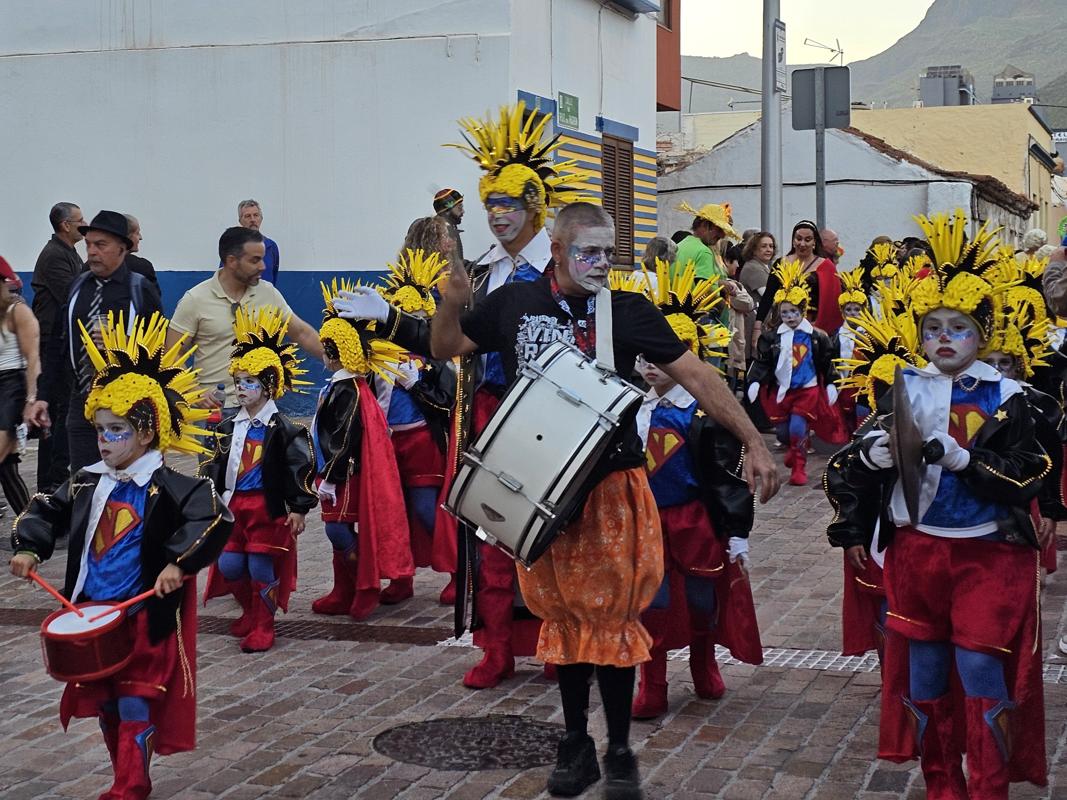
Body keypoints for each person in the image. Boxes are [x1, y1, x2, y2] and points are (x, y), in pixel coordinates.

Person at [430, 200, 779, 799]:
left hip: (613, 486)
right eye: (589, 252)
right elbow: (444, 348)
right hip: (543, 488)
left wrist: (753, 440)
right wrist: (451, 299)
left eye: (610, 254)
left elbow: (698, 377)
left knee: (614, 618)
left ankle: (618, 748)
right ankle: (575, 743)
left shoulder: (628, 310)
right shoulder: (515, 302)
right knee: (562, 617)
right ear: (559, 250)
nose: (601, 264)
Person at [333, 101, 592, 690]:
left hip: (546, 420)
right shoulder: (475, 275)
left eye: (509, 204)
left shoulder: (563, 273)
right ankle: (497, 648)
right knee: (491, 536)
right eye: (490, 205)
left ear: (536, 207)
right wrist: (392, 319)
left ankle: (559, 644)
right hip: (484, 416)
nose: (498, 215)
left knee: (549, 538)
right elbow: (446, 345)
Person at [828, 210, 1049, 798]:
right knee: (923, 671)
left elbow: (1034, 472)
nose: (945, 338)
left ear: (984, 334)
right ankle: (942, 785)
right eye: (934, 328)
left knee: (979, 668)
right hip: (916, 554)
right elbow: (846, 467)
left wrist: (965, 462)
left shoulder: (1014, 398)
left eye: (959, 327)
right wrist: (870, 461)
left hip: (988, 556)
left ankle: (989, 787)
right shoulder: (904, 386)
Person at [10, 313, 232, 800]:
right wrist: (29, 544)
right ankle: (125, 771)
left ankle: (132, 782)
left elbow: (215, 517)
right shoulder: (88, 480)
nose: (103, 441)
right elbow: (46, 506)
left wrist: (179, 561)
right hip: (91, 610)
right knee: (106, 701)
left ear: (147, 433)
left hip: (142, 614)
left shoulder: (173, 486)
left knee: (136, 699)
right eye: (100, 430)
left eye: (115, 431)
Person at [629, 263, 763, 721]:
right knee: (654, 602)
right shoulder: (633, 409)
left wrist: (736, 532)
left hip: (694, 523)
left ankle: (704, 662)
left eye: (659, 356)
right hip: (647, 523)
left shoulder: (702, 414)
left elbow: (727, 476)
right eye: (643, 356)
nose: (650, 366)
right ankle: (654, 681)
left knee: (704, 600)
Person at [201, 307, 317, 652]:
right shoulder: (228, 426)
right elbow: (214, 463)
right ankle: (251, 609)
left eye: (250, 382)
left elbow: (300, 468)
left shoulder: (285, 430)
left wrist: (298, 507)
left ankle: (264, 624)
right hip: (235, 506)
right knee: (230, 563)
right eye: (239, 382)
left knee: (260, 563)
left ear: (268, 385)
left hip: (267, 509)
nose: (242, 388)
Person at [26, 210, 164, 474]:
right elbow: (57, 343)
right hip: (82, 400)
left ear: (123, 248)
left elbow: (158, 348)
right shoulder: (77, 287)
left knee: (128, 480)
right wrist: (42, 397)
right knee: (84, 480)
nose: (91, 252)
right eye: (89, 245)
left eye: (101, 245)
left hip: (128, 403)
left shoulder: (139, 290)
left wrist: (124, 344)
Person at [310, 280, 413, 622]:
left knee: (337, 530)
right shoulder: (341, 387)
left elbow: (344, 437)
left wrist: (330, 477)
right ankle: (346, 589)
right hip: (335, 473)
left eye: (325, 349)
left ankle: (362, 584)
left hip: (345, 475)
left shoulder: (348, 391)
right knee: (335, 530)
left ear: (333, 352)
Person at [372, 247, 456, 605]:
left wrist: (415, 384)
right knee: (396, 513)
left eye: (416, 315)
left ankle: (458, 571)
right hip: (388, 444)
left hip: (423, 442)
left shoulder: (437, 359)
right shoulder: (380, 353)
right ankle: (400, 575)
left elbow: (446, 402)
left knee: (425, 509)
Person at [168, 227, 323, 412]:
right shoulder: (195, 299)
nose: (263, 266)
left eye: (263, 259)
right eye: (255, 260)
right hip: (214, 411)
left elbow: (301, 333)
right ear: (232, 261)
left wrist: (340, 361)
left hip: (260, 408)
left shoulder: (268, 293)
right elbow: (172, 354)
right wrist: (195, 392)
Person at [747, 260, 843, 486]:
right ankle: (792, 448)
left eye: (794, 312)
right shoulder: (772, 338)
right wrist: (754, 381)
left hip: (807, 389)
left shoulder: (816, 336)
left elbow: (826, 361)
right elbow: (763, 362)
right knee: (782, 431)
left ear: (803, 310)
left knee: (798, 426)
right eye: (785, 312)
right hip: (782, 390)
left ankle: (799, 467)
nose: (790, 317)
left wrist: (831, 383)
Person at [30, 202, 86, 492]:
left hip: (63, 342)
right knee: (52, 413)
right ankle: (48, 486)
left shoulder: (69, 253)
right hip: (53, 344)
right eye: (80, 220)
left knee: (62, 411)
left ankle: (57, 479)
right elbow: (73, 294)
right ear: (66, 225)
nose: (84, 224)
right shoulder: (54, 256)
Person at [754, 221, 842, 336]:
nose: (802, 243)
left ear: (814, 242)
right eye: (798, 239)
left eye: (807, 239)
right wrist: (757, 327)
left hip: (814, 328)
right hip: (782, 326)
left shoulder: (826, 266)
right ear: (793, 241)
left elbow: (833, 303)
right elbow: (768, 296)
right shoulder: (781, 263)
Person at [0, 269, 38, 514]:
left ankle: (32, 525)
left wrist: (30, 398)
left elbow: (32, 356)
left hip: (11, 387)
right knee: (6, 468)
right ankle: (31, 526)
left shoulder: (16, 311)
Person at [673, 201, 738, 283]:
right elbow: (705, 289)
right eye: (719, 229)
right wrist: (721, 286)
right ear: (704, 225)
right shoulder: (703, 251)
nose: (722, 236)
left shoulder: (680, 246)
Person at [738, 232, 776, 360]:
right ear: (754, 249)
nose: (768, 249)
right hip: (754, 322)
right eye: (764, 246)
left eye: (771, 246)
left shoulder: (763, 267)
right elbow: (769, 296)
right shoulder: (754, 268)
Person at [236, 200, 280, 283]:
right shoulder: (233, 246)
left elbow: (273, 278)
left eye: (256, 215)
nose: (252, 219)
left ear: (261, 218)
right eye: (248, 216)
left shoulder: (271, 246)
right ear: (240, 221)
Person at [123, 214, 160, 290]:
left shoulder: (96, 263)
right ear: (127, 236)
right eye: (137, 233)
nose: (140, 237)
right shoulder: (143, 267)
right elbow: (153, 299)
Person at [433, 188, 465, 263]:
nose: (463, 211)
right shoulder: (442, 232)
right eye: (459, 207)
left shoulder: (447, 228)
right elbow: (453, 265)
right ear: (447, 210)